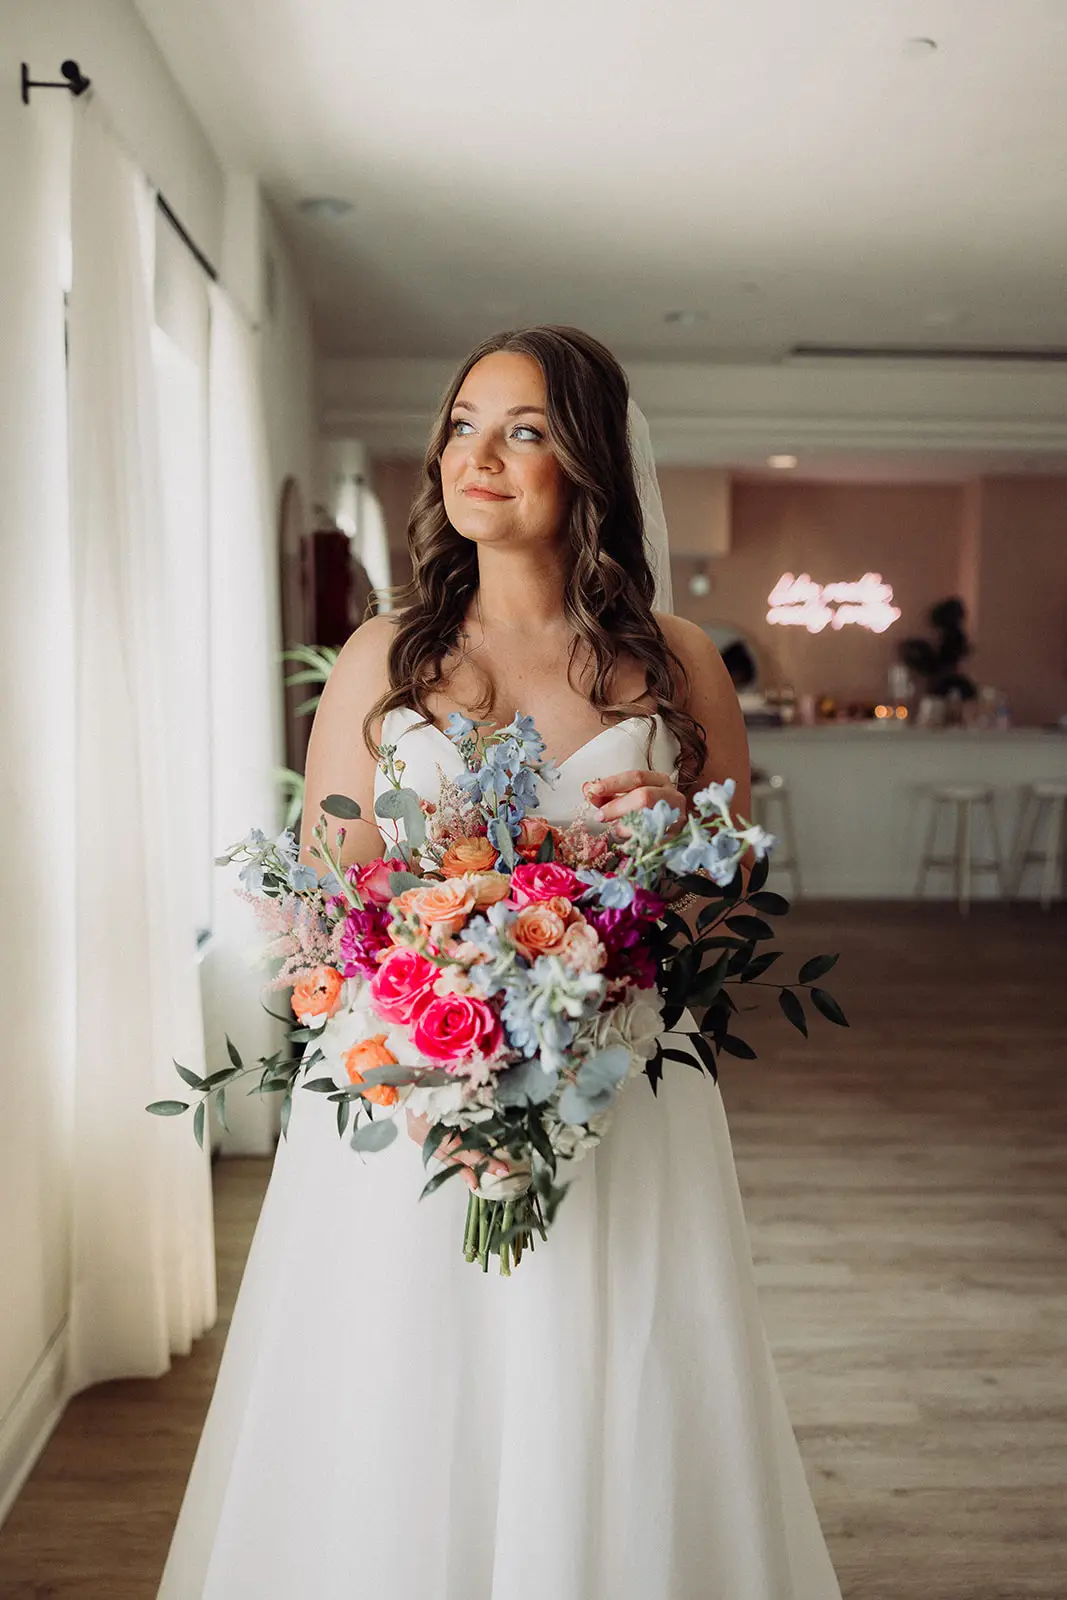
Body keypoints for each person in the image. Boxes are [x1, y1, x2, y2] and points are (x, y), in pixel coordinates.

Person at [159, 325, 842, 1599]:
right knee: (410, 1384)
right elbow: (335, 905)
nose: (479, 456)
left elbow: (726, 883)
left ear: (585, 463)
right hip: (416, 1090)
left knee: (610, 1369)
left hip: (624, 1087)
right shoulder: (387, 656)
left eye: (524, 430)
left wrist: (630, 928)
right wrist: (439, 1069)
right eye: (464, 422)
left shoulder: (677, 660)